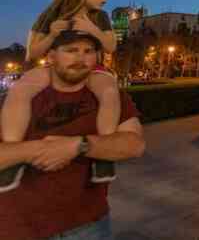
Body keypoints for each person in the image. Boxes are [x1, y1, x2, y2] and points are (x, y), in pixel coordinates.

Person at [0, 30, 145, 240]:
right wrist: (38, 149)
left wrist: (79, 145)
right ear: (51, 57)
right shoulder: (14, 98)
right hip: (17, 227)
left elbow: (135, 145)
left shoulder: (111, 96)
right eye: (71, 50)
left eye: (88, 51)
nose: (80, 58)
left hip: (88, 225)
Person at [0, 0, 120, 191]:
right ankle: (13, 156)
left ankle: (104, 156)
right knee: (21, 88)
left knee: (109, 89)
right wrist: (53, 34)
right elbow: (32, 53)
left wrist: (91, 29)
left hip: (92, 69)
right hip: (53, 68)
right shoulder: (49, 15)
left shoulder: (101, 17)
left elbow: (110, 46)